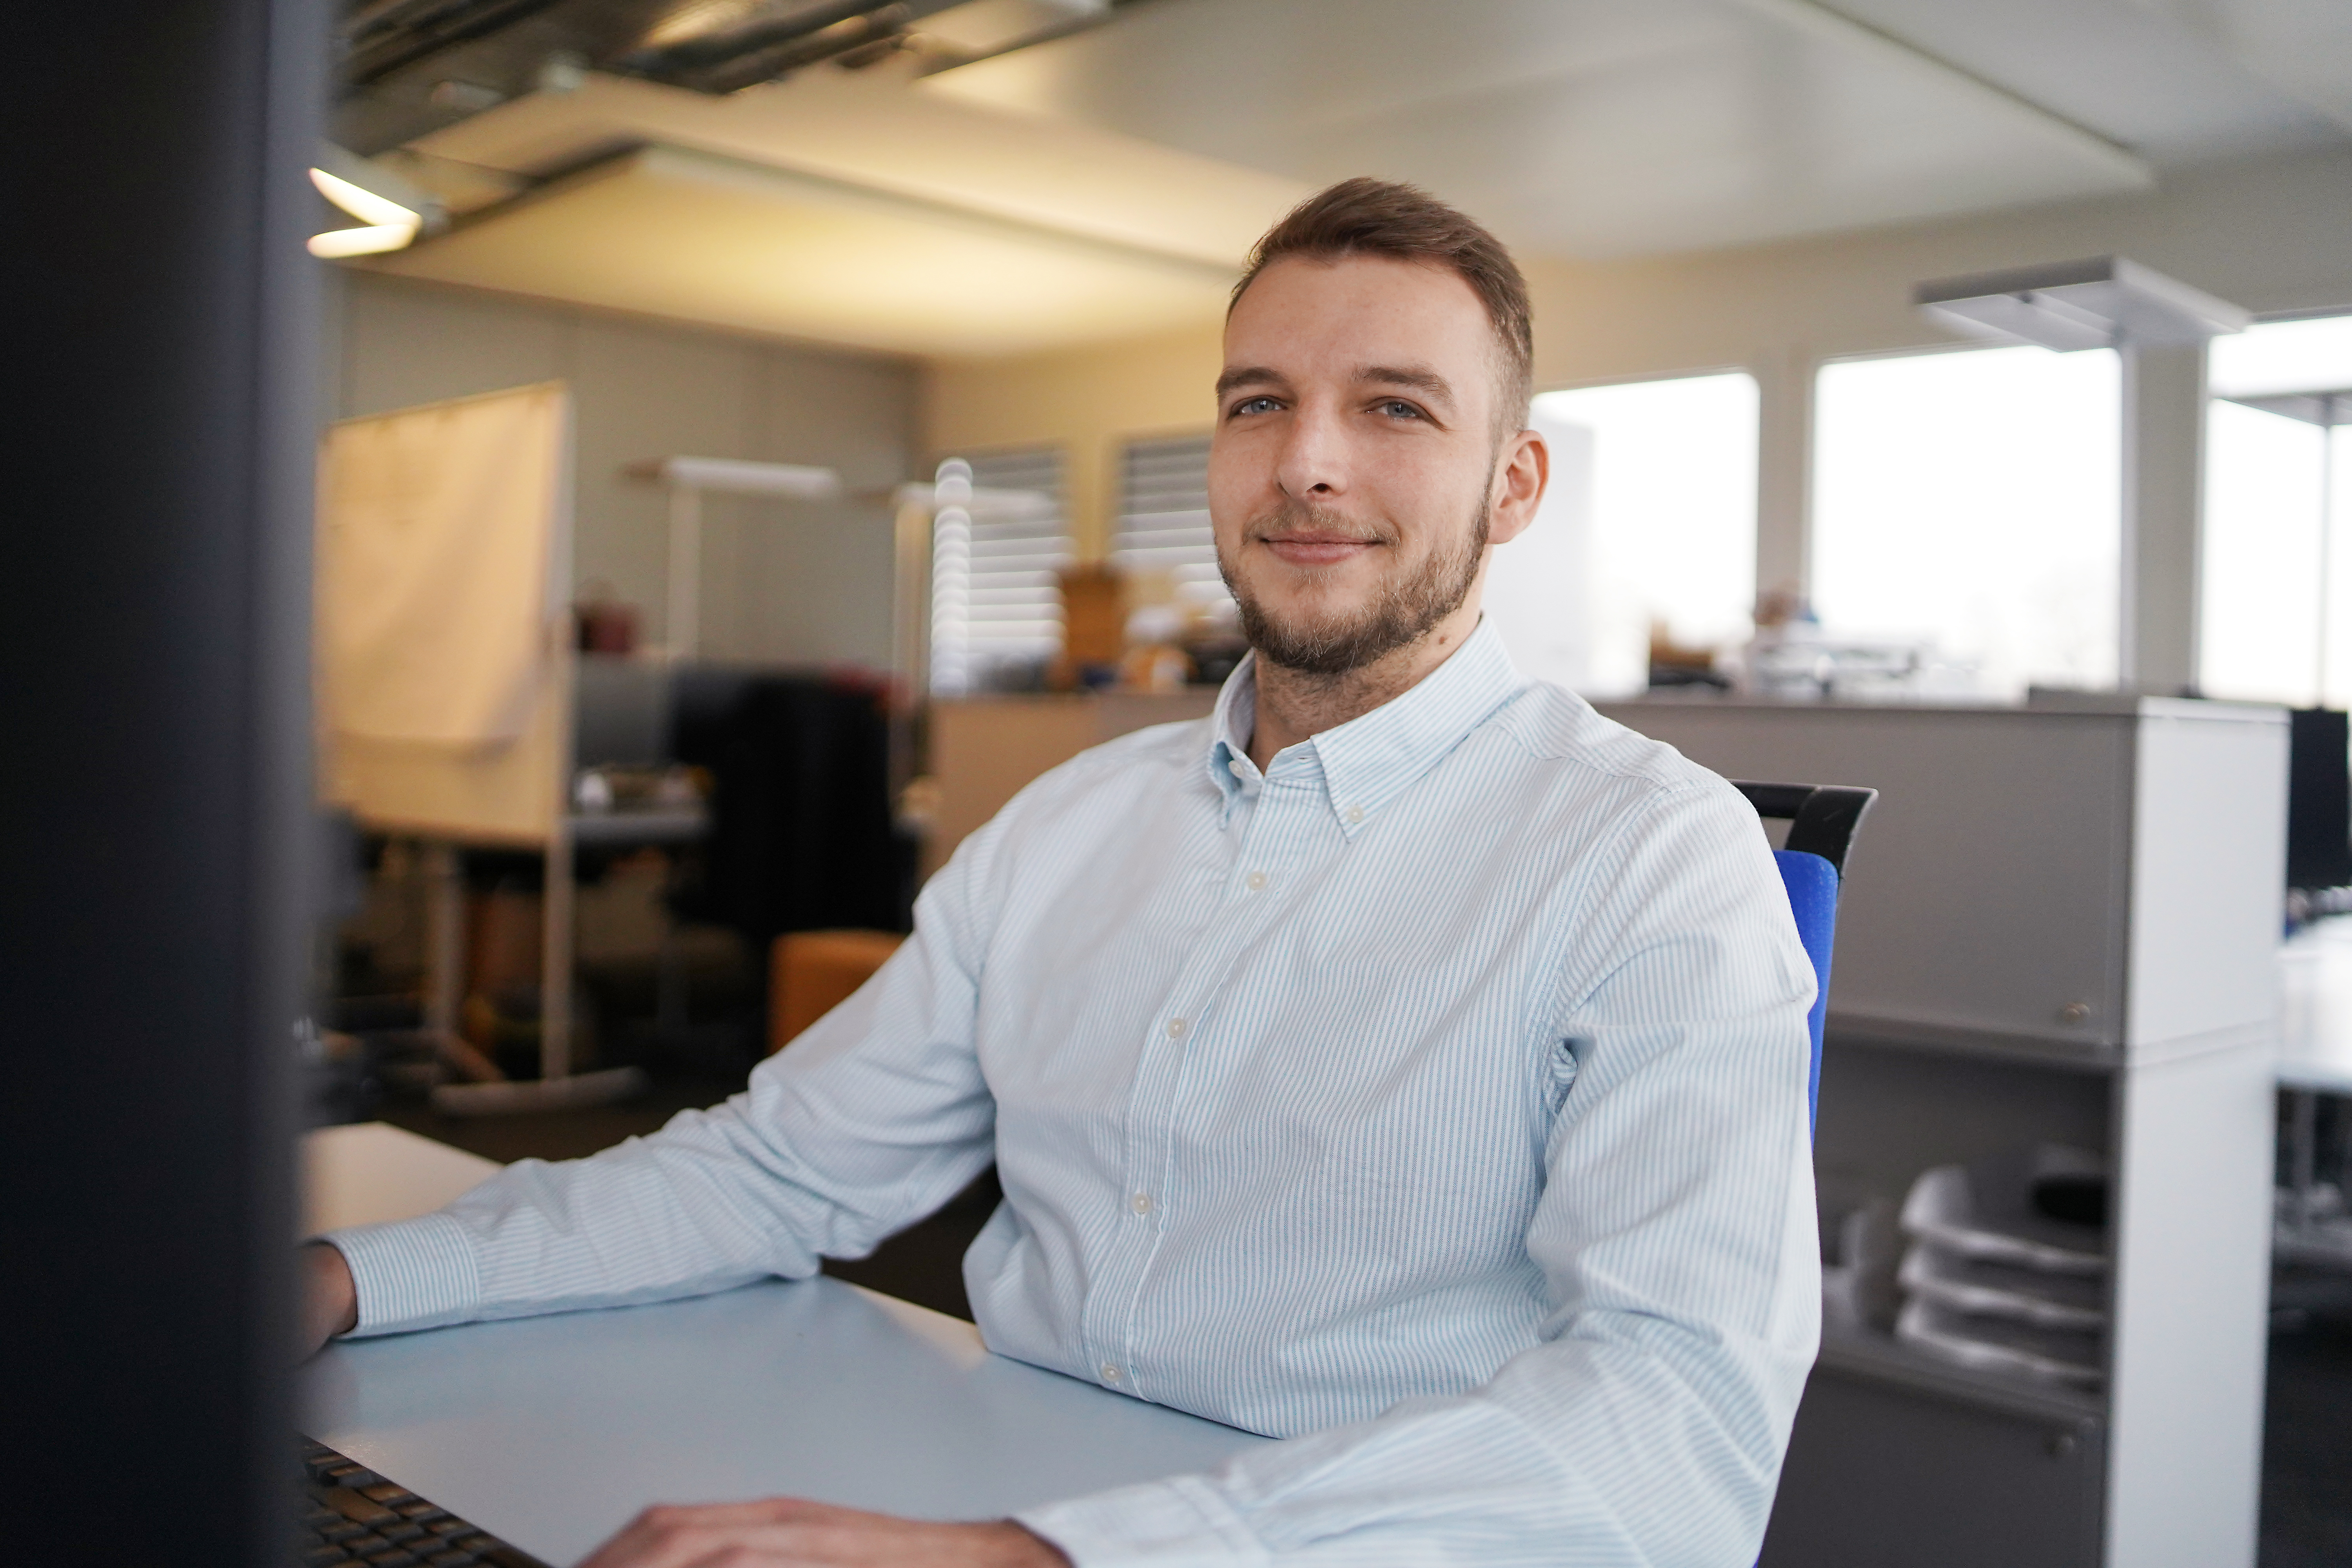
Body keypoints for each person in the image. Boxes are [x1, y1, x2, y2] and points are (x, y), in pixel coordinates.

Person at [303, 178, 1821, 1567]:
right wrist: (352, 1279)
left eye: (1395, 409)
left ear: (1514, 486)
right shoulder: (1071, 824)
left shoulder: (1655, 862)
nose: (1306, 463)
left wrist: (1040, 1558)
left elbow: (1672, 1423)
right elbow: (779, 1170)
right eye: (1258, 402)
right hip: (996, 1495)